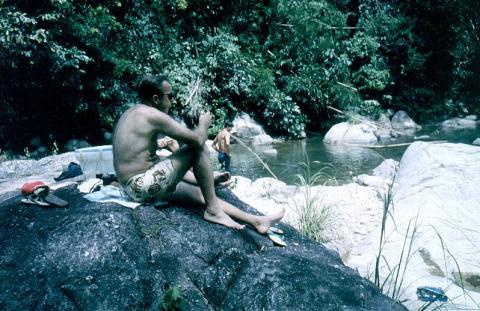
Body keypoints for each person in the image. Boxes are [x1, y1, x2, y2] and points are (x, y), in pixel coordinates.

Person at [112, 74, 284, 232]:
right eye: (170, 97)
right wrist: (204, 124)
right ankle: (213, 211)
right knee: (198, 149)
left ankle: (256, 221)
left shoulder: (131, 112)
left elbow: (154, 163)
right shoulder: (151, 114)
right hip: (142, 186)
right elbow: (197, 140)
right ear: (156, 98)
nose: (172, 102)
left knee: (201, 193)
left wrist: (203, 178)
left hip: (135, 188)